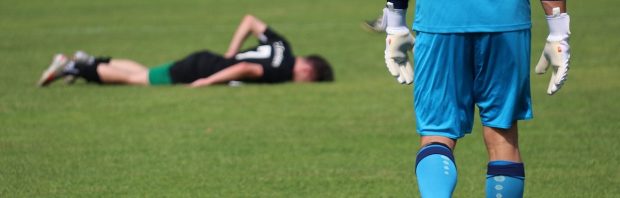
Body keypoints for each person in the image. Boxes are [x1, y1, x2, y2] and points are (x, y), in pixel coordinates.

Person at [381, 0, 570, 197]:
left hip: (440, 17)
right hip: (505, 19)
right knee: (502, 136)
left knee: (436, 133)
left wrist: (395, 20)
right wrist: (558, 31)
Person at [37, 14, 334, 87]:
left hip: (206, 58)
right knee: (137, 80)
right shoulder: (283, 71)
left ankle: (89, 61)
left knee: (144, 71)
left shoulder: (284, 46)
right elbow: (249, 69)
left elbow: (249, 20)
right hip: (202, 69)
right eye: (308, 81)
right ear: (307, 70)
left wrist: (230, 52)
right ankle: (72, 66)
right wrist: (208, 81)